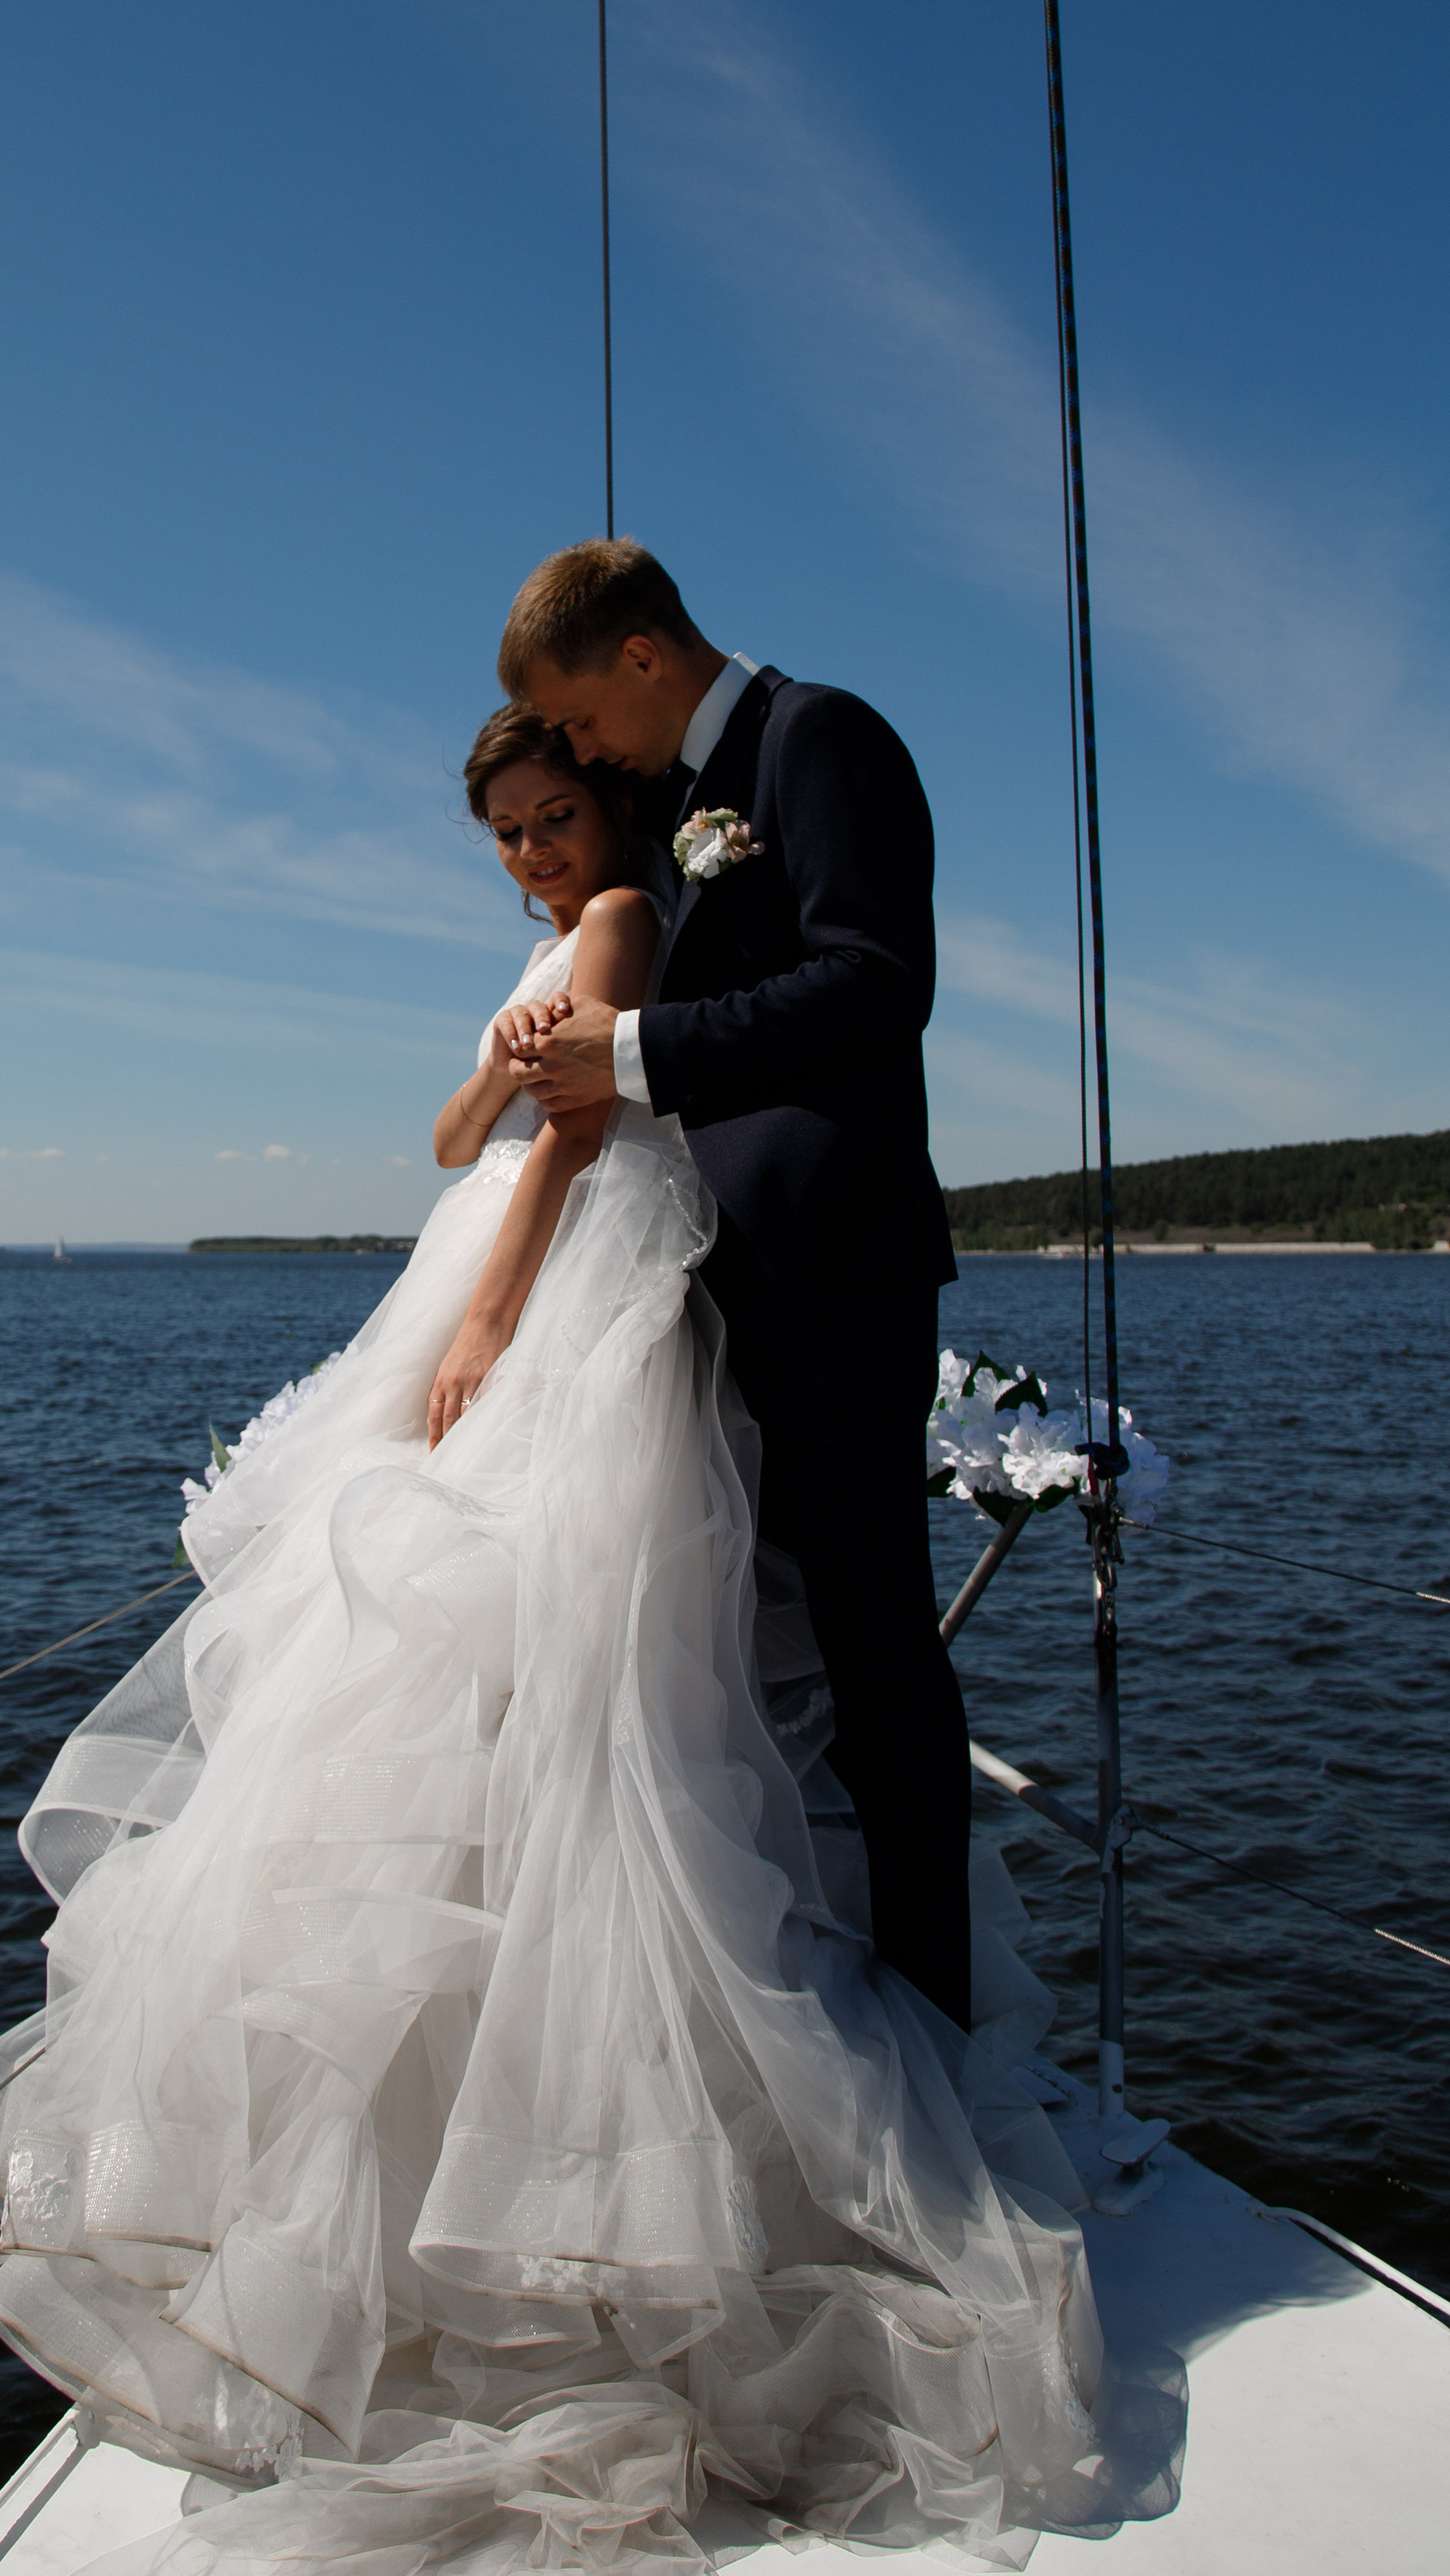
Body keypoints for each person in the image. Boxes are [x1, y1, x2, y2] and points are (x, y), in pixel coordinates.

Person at [0, 702, 1106, 2576]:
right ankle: (429, 2165)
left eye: (548, 819)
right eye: (503, 836)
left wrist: (489, 1307)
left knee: (557, 1656)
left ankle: (574, 2176)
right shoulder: (551, 946)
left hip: (571, 1271)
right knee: (419, 1682)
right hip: (490, 1236)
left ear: (603, 803)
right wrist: (492, 1070)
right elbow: (467, 1122)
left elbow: (559, 1141)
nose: (532, 855)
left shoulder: (630, 914)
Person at [495, 539, 971, 2030]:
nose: (577, 751)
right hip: (713, 1282)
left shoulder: (819, 737)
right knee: (737, 1646)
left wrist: (631, 1056)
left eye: (577, 720)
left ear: (643, 656)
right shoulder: (674, 803)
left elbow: (878, 980)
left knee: (876, 1639)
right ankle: (784, 1992)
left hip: (834, 1275)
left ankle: (934, 2006)